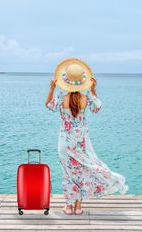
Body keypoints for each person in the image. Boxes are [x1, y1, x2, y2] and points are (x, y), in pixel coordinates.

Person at [45, 58, 129, 216]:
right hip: (81, 142)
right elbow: (97, 107)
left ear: (66, 81)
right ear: (82, 81)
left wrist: (51, 88)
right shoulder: (87, 99)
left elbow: (48, 105)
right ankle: (78, 207)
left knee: (68, 174)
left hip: (64, 143)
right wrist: (94, 89)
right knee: (81, 173)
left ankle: (68, 207)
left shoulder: (61, 98)